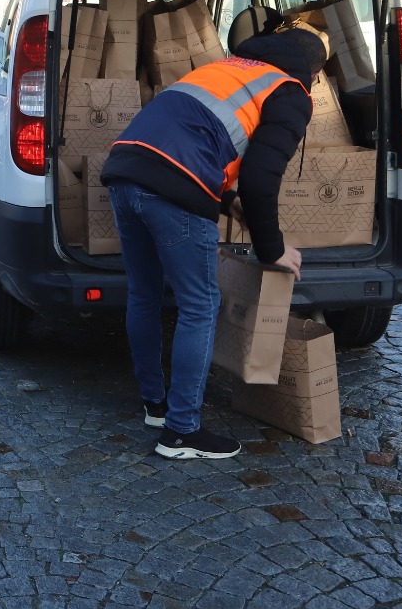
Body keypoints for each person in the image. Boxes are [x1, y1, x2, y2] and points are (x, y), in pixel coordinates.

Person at [99, 23, 329, 461]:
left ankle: (156, 406)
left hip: (124, 171)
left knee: (145, 294)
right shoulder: (289, 90)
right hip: (173, 188)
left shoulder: (227, 68)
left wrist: (227, 199)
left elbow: (190, 133)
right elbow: (262, 179)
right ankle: (182, 431)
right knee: (200, 305)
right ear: (313, 73)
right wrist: (273, 250)